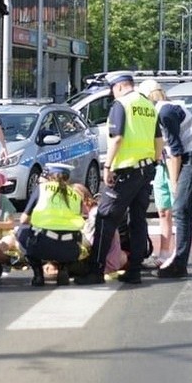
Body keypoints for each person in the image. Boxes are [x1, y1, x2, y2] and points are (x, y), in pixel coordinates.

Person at [75, 73, 162, 286]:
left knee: (105, 218)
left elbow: (118, 138)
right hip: (145, 170)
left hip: (125, 171)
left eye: (113, 89)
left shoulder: (121, 105)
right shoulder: (148, 105)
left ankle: (95, 270)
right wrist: (154, 163)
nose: (112, 93)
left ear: (120, 87)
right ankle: (134, 270)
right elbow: (159, 140)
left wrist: (108, 166)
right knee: (138, 221)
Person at [138, 79, 192, 279]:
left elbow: (175, 151)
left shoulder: (164, 112)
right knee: (180, 209)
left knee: (181, 209)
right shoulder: (165, 109)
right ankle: (177, 260)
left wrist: (174, 182)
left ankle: (179, 262)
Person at [17, 163, 86, 287]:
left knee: (22, 230)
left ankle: (38, 274)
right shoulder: (76, 195)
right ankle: (63, 268)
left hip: (42, 245)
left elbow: (23, 219)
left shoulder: (42, 189)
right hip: (70, 248)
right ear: (68, 178)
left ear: (49, 176)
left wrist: (36, 223)